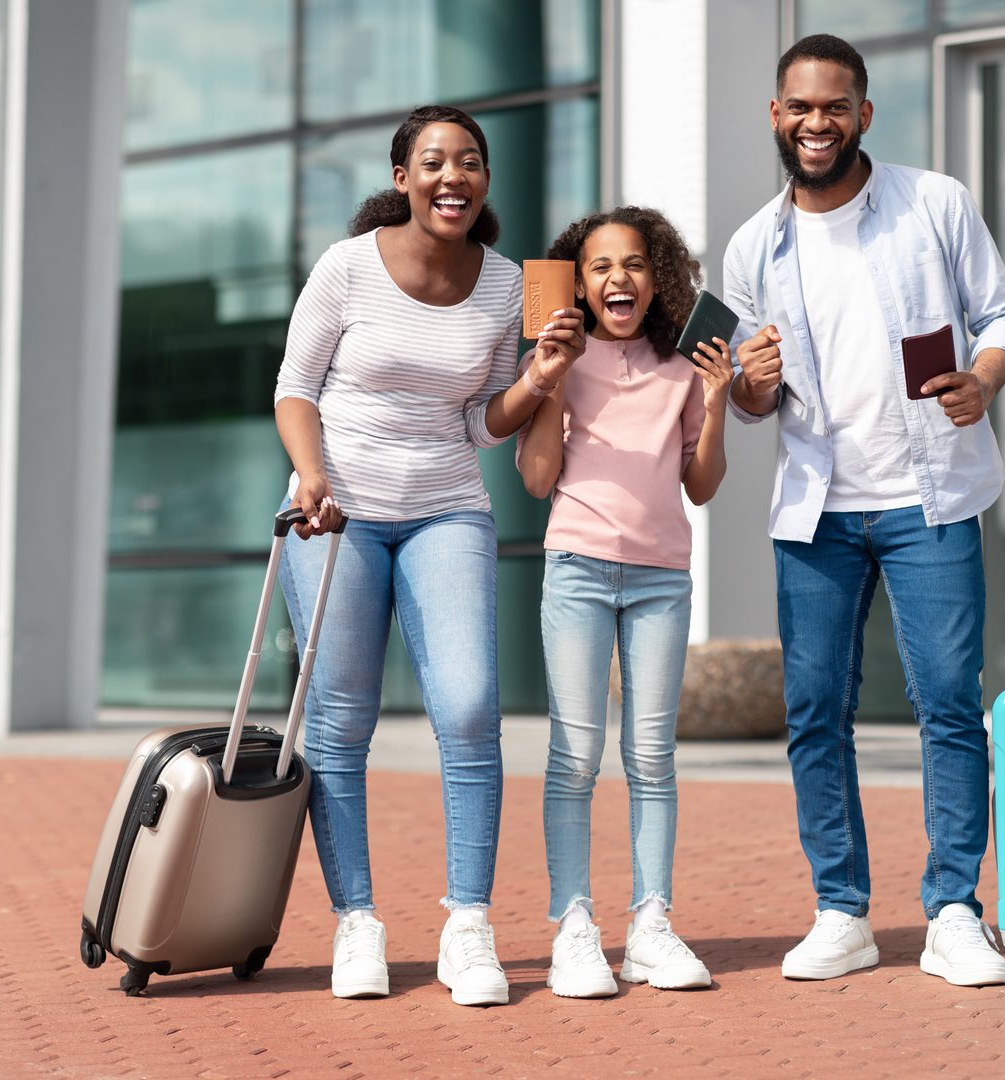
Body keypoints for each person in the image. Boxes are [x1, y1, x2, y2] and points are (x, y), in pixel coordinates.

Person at [722, 34, 1005, 988]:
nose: (817, 122)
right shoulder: (753, 245)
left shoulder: (933, 203)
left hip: (928, 497)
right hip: (817, 511)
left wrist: (983, 379)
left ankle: (951, 911)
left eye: (835, 105)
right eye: (800, 107)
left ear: (863, 112)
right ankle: (841, 911)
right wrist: (752, 384)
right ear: (776, 116)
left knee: (946, 703)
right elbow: (743, 394)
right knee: (816, 712)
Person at [273, 104, 585, 1007]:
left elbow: (481, 423)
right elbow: (296, 389)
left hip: (446, 507)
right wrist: (310, 474)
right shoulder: (346, 267)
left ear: (486, 181)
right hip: (338, 512)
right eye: (436, 161)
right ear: (403, 177)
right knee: (341, 719)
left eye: (472, 162)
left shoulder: (510, 287)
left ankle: (468, 927)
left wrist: (540, 375)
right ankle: (357, 923)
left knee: (471, 707)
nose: (455, 176)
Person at [515, 207, 731, 998]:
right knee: (573, 759)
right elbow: (536, 479)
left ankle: (651, 926)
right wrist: (547, 377)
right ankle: (574, 926)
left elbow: (700, 486)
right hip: (575, 569)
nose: (618, 279)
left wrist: (716, 398)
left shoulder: (683, 366)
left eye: (634, 264)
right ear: (578, 282)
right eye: (601, 266)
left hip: (659, 581)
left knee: (652, 760)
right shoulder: (561, 361)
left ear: (657, 276)